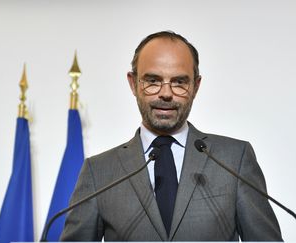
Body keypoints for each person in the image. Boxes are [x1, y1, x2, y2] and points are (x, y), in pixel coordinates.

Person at [61, 31, 283, 241]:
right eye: (153, 81)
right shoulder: (98, 172)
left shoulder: (235, 160)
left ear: (195, 86)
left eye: (179, 82)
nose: (166, 93)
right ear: (133, 83)